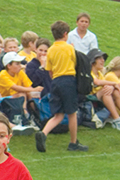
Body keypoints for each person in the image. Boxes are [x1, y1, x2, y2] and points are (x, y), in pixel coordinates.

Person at [34, 21, 88, 152]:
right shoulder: (69, 48)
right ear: (65, 34)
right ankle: (73, 142)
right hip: (68, 80)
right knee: (72, 113)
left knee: (58, 114)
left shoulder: (51, 50)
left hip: (56, 81)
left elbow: (50, 70)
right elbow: (75, 64)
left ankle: (44, 133)